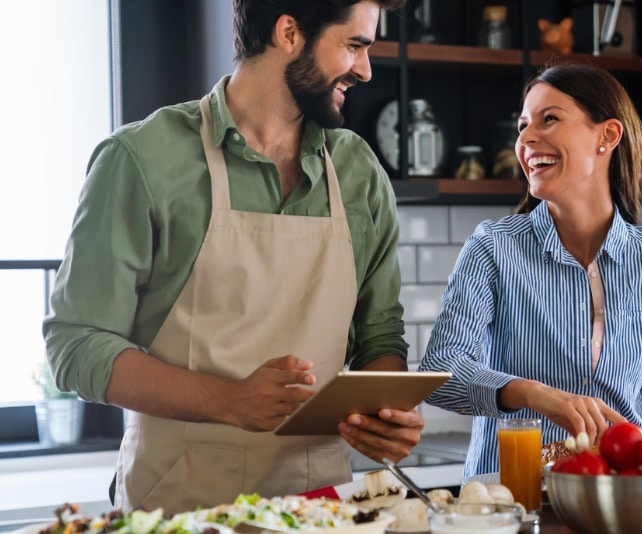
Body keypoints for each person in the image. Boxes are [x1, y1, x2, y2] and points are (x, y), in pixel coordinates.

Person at [42, 0, 419, 513]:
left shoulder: (358, 172)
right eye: (354, 45)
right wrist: (229, 400)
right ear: (289, 33)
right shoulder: (141, 160)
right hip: (177, 509)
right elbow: (75, 344)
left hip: (322, 510)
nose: (365, 70)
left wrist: (381, 415)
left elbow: (380, 337)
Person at [418, 63, 642, 477]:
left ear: (607, 136)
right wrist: (534, 394)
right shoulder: (493, 249)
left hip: (621, 496)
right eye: (522, 126)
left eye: (549, 119)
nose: (526, 138)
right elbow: (441, 371)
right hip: (512, 498)